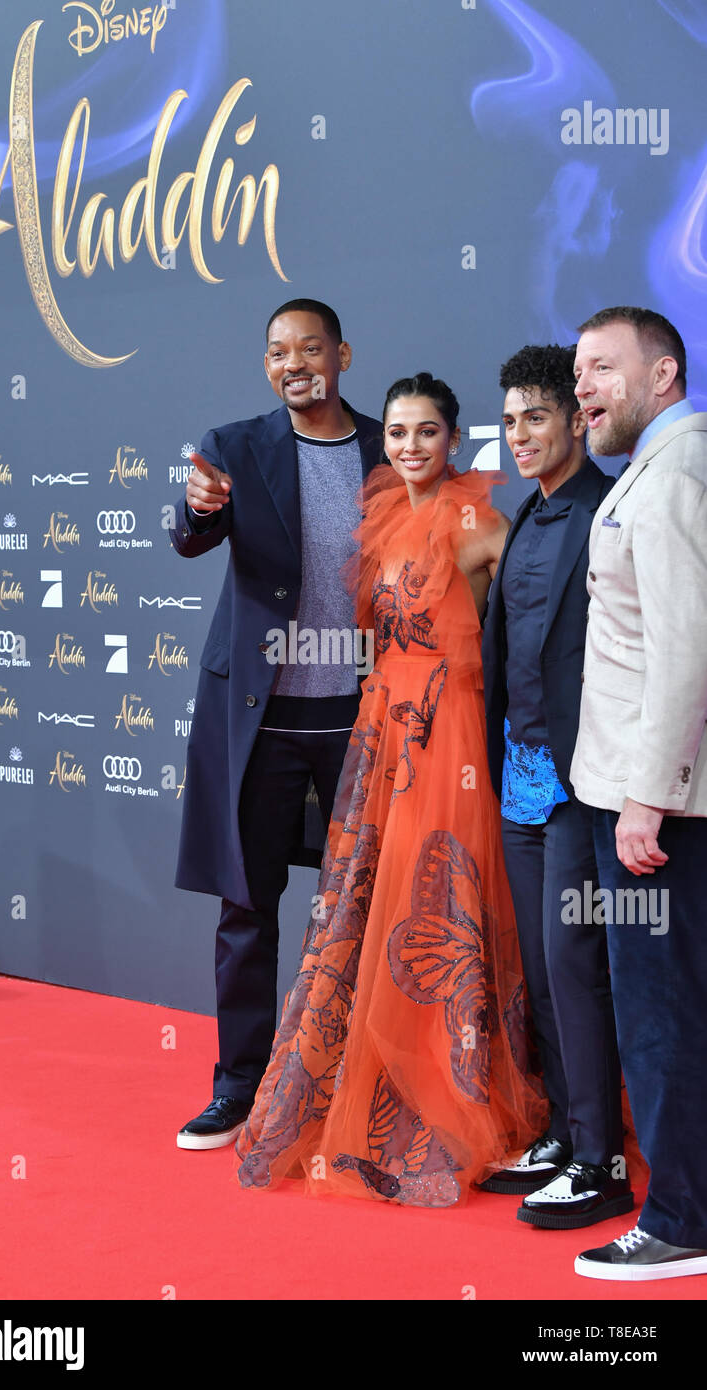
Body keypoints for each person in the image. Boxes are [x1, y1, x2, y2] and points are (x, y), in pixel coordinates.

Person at [235, 373, 548, 1205]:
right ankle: (383, 1093)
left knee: (439, 911)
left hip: (453, 743)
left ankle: (459, 1098)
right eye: (400, 433)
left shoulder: (482, 523)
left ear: (453, 439)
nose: (410, 447)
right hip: (383, 731)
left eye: (428, 434)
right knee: (376, 909)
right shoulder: (380, 518)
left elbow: (532, 638)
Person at [169, 299, 382, 1150]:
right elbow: (189, 536)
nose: (293, 362)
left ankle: (365, 1081)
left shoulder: (385, 445)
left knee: (365, 907)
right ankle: (239, 1087)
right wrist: (198, 505)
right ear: (267, 367)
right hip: (260, 717)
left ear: (342, 354)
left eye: (309, 348)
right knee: (247, 907)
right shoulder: (232, 446)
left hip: (360, 718)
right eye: (277, 352)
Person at [478, 345, 632, 1230]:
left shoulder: (608, 507)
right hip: (520, 775)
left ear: (577, 420)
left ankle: (604, 1159)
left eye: (537, 416)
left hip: (584, 783)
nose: (521, 434)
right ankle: (569, 1136)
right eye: (510, 421)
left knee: (578, 969)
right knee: (540, 971)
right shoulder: (522, 518)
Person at [568, 306, 707, 1280]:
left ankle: (680, 1220)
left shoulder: (675, 476)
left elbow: (688, 652)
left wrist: (646, 797)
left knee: (660, 1015)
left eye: (603, 369)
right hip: (651, 797)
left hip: (660, 811)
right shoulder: (656, 471)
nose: (585, 387)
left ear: (662, 376)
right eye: (579, 371)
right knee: (666, 1010)